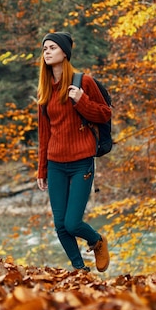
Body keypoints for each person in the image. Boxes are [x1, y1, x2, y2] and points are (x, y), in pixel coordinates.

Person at [36, 31, 111, 272]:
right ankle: (80, 270)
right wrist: (42, 169)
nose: (47, 51)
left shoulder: (83, 82)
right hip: (56, 163)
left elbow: (104, 114)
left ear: (65, 53)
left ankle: (97, 241)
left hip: (81, 162)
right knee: (60, 224)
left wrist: (81, 100)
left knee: (73, 222)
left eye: (52, 47)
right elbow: (44, 134)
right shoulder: (45, 90)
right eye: (45, 48)